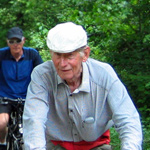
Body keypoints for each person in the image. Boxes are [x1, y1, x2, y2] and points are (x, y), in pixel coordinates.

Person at [23, 22, 142, 150]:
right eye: (57, 55)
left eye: (69, 56)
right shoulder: (42, 76)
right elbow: (34, 120)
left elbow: (128, 121)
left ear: (85, 54)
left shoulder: (104, 75)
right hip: (56, 144)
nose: (62, 64)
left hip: (96, 145)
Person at [0, 27, 43, 150]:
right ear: (7, 42)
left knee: (35, 123)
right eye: (11, 41)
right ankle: (2, 142)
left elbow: (41, 75)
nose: (15, 45)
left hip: (28, 97)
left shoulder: (32, 54)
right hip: (5, 96)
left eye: (18, 41)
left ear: (23, 41)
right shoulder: (2, 55)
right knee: (2, 123)